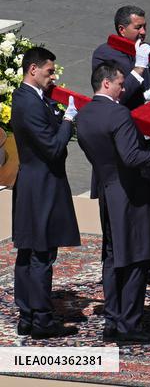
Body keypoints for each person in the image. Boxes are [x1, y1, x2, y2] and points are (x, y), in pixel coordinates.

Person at [76, 62, 150, 344]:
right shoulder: (119, 114)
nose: (124, 90)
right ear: (106, 83)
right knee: (136, 259)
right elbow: (132, 157)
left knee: (112, 258)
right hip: (130, 196)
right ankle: (128, 325)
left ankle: (113, 318)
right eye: (121, 84)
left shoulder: (84, 116)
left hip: (108, 193)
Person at [11, 46, 80, 339]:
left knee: (28, 253)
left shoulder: (31, 98)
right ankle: (40, 320)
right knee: (40, 253)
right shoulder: (29, 103)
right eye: (49, 72)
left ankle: (27, 315)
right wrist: (68, 121)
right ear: (33, 69)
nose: (53, 77)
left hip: (31, 182)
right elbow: (52, 148)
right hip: (40, 186)